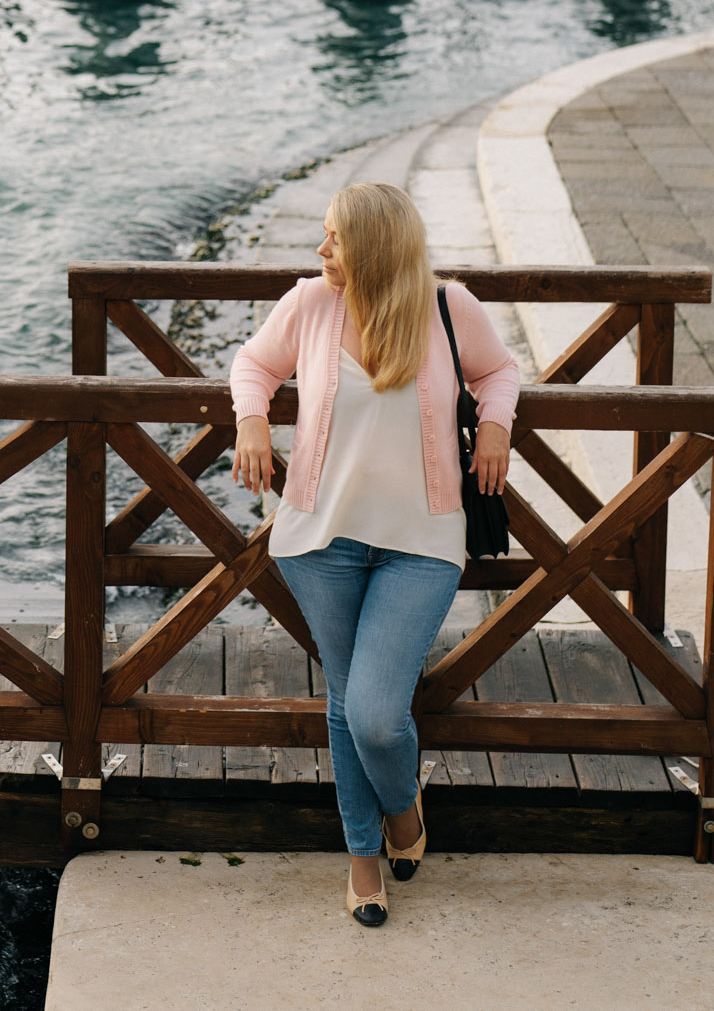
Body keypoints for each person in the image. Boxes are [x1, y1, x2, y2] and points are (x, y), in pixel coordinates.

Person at [231, 180, 518, 928]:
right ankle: (365, 856)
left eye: (335, 238)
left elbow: (499, 372)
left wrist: (495, 425)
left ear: (376, 247)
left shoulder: (450, 308)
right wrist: (253, 420)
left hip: (420, 546)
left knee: (378, 717)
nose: (321, 250)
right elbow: (253, 366)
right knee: (346, 705)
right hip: (319, 541)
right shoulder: (310, 303)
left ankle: (402, 806)